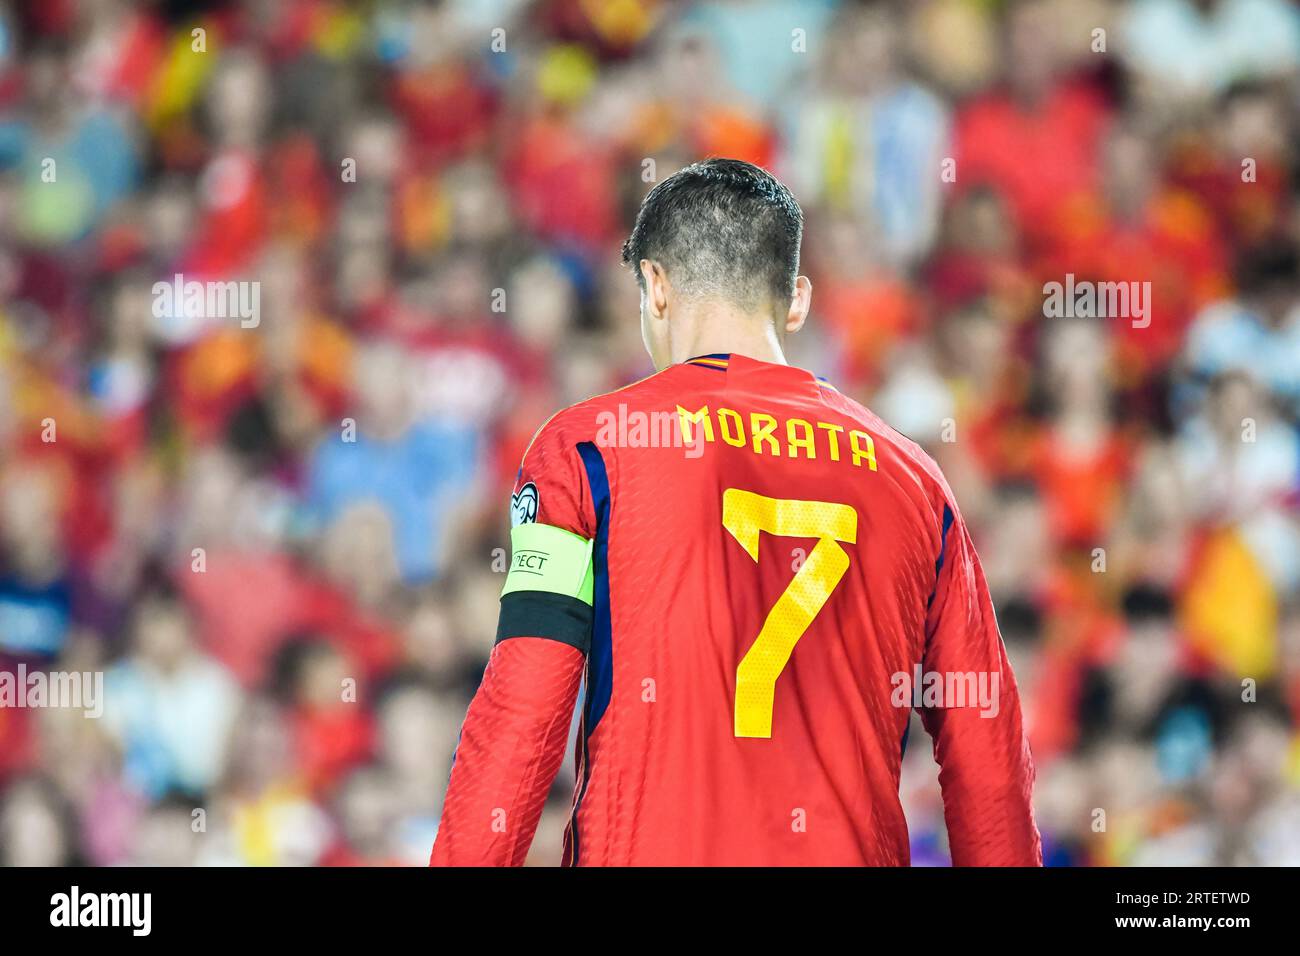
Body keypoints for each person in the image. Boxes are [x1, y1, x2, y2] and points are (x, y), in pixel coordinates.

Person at [430, 159, 1041, 866]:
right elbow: (988, 753)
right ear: (796, 300)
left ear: (656, 288)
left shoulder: (588, 450)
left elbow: (523, 713)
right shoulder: (916, 483)